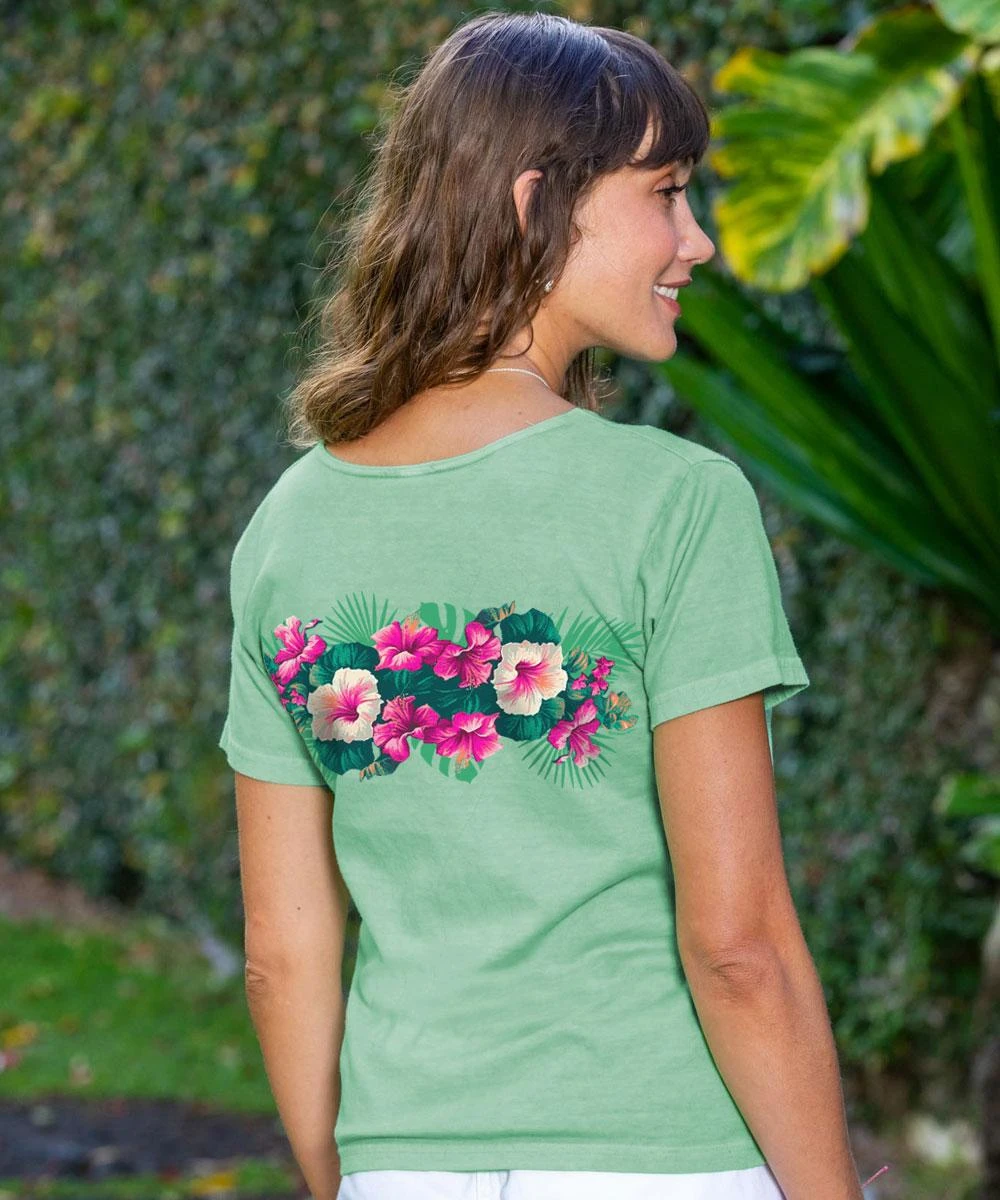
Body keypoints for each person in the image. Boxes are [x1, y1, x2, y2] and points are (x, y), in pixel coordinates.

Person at [218, 10, 868, 1200]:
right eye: (665, 192)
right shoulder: (674, 504)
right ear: (536, 206)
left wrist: (346, 1175)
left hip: (401, 1161)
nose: (697, 242)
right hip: (660, 1157)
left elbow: (283, 957)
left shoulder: (287, 529)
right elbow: (738, 949)